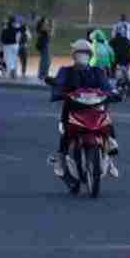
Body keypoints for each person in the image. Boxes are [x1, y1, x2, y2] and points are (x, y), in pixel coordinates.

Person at [48, 37, 118, 179]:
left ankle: (110, 158)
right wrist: (58, 91)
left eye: (85, 52)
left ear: (90, 55)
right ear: (73, 55)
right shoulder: (66, 71)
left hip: (95, 108)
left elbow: (107, 87)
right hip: (73, 109)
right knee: (65, 131)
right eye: (79, 52)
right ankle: (61, 158)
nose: (82, 55)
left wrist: (113, 94)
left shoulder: (97, 71)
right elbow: (59, 84)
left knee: (107, 120)